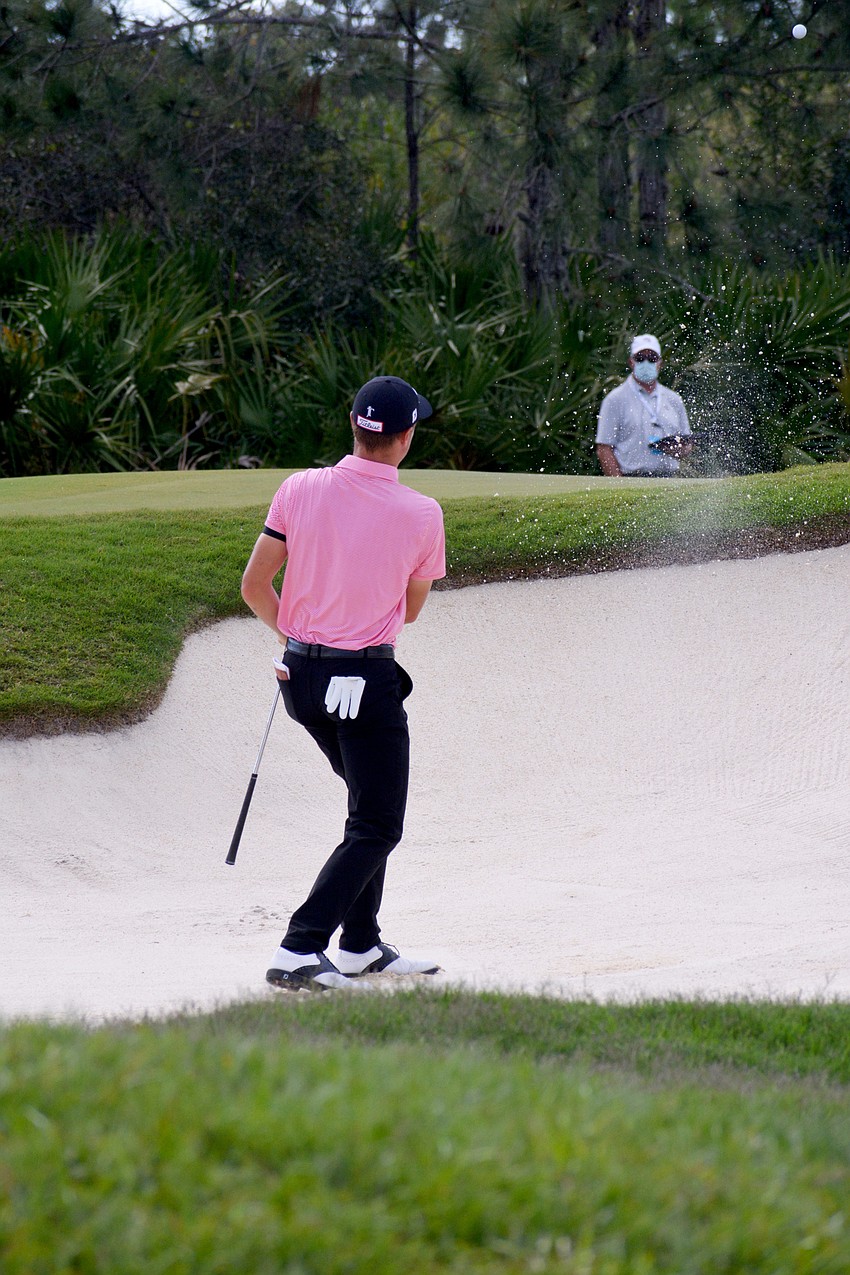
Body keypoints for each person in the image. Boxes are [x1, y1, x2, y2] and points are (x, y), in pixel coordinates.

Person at [240, 375, 446, 991]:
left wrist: (300, 643)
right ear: (405, 438)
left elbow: (255, 587)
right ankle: (300, 948)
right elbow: (409, 611)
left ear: (353, 427)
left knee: (366, 810)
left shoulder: (298, 487)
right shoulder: (422, 513)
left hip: (299, 679)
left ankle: (359, 945)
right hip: (364, 682)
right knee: (380, 825)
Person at [596, 334, 693, 477]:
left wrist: (677, 449)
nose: (646, 363)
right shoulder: (615, 399)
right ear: (631, 362)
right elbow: (604, 448)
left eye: (652, 358)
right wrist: (619, 487)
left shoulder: (674, 399)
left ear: (660, 362)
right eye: (640, 358)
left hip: (670, 479)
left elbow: (687, 445)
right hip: (631, 478)